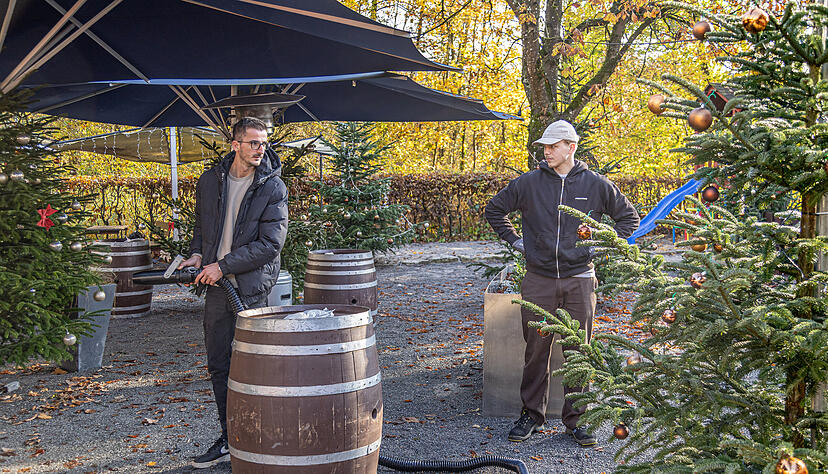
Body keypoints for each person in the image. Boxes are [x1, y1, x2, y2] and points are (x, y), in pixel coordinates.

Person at [485, 120, 639, 446]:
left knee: (578, 352)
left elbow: (629, 219)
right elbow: (495, 209)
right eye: (545, 146)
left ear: (571, 147)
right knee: (536, 350)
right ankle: (531, 415)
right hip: (538, 279)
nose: (547, 151)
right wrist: (515, 241)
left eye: (554, 146)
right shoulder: (529, 183)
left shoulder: (596, 185)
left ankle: (578, 420)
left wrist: (602, 247)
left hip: (579, 281)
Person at [178, 117, 288, 468]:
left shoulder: (273, 187)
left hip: (251, 290)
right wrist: (197, 255)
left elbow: (271, 244)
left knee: (254, 368)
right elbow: (202, 227)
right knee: (219, 365)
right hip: (217, 288)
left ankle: (263, 436)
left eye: (264, 143)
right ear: (235, 144)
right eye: (254, 143)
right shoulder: (210, 181)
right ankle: (231, 437)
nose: (261, 149)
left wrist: (222, 266)